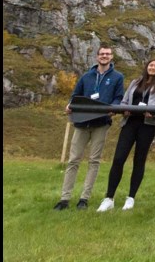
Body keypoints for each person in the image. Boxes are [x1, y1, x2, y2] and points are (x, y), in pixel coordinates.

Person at [96, 58, 155, 212]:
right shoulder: (135, 82)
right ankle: (109, 198)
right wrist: (124, 109)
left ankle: (131, 198)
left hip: (148, 126)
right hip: (130, 123)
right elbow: (124, 101)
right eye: (151, 65)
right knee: (118, 159)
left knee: (139, 160)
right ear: (146, 66)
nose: (153, 67)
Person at [53, 46, 125, 210]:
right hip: (82, 123)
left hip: (101, 123)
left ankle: (84, 199)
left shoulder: (117, 77)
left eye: (107, 54)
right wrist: (70, 105)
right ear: (97, 57)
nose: (104, 56)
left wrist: (113, 109)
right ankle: (64, 199)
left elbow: (118, 98)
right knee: (73, 160)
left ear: (111, 57)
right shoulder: (86, 76)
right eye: (102, 54)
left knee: (94, 161)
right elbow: (75, 96)